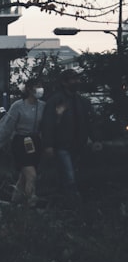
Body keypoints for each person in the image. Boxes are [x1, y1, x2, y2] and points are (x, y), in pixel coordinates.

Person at [40, 68, 101, 203]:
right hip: (62, 145)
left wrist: (95, 139)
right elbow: (48, 123)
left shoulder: (82, 101)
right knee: (69, 176)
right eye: (73, 79)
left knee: (70, 174)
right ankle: (73, 202)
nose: (77, 82)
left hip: (78, 144)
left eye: (77, 79)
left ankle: (63, 202)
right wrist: (48, 145)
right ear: (64, 82)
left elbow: (90, 121)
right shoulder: (55, 100)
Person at [0, 78, 46, 205]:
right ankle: (30, 201)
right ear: (30, 89)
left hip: (35, 142)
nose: (40, 89)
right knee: (31, 174)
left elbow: (49, 124)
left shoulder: (43, 106)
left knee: (24, 176)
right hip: (21, 143)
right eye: (37, 86)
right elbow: (6, 125)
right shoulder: (18, 106)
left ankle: (15, 200)